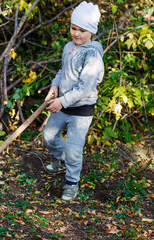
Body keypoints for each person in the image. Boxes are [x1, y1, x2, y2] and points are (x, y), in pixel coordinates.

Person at [43, 1, 104, 202]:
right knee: (49, 135)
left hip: (80, 110)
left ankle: (71, 183)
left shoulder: (92, 54)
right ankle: (62, 161)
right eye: (73, 28)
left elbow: (85, 87)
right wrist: (54, 86)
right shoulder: (69, 47)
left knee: (74, 149)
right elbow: (63, 71)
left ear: (92, 32)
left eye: (82, 30)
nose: (76, 34)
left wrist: (62, 101)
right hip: (63, 103)